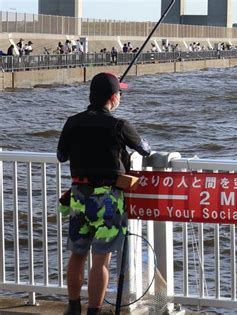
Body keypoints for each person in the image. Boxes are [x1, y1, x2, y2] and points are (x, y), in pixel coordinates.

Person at [57, 72, 151, 315]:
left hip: (78, 198)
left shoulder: (72, 122)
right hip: (107, 200)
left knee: (77, 254)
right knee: (101, 259)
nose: (120, 96)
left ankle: (73, 306)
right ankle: (94, 311)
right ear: (112, 98)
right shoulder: (119, 125)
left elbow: (61, 156)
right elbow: (144, 148)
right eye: (119, 93)